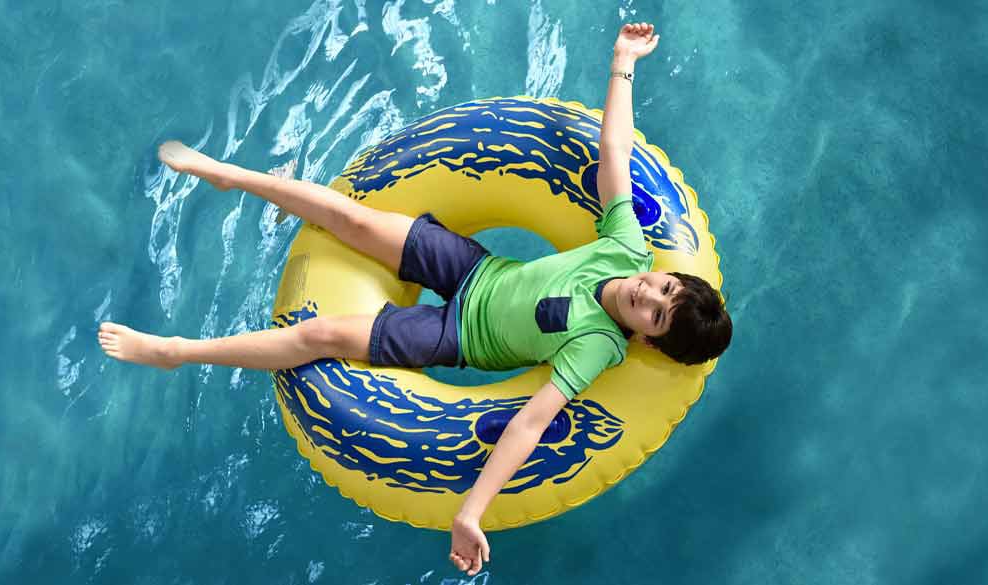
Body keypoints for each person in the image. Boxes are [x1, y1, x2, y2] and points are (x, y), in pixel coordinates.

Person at [98, 22, 731, 578]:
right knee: (352, 219)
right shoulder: (628, 250)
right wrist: (622, 63)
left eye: (653, 310)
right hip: (477, 269)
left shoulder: (598, 347)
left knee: (322, 337)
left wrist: (470, 513)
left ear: (646, 337)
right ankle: (227, 173)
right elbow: (614, 150)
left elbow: (533, 421)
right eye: (666, 286)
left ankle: (177, 351)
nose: (648, 291)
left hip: (455, 337)